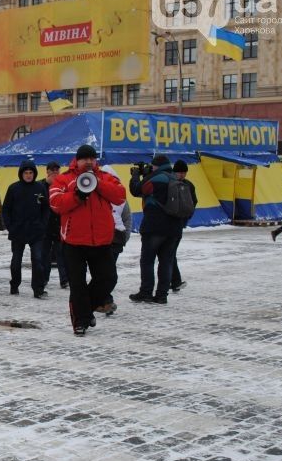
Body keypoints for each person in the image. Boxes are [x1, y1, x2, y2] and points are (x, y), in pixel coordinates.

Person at [49, 144, 126, 336]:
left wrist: (97, 184)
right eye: (85, 159)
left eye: (92, 158)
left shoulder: (106, 177)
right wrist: (77, 195)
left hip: (101, 241)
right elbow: (55, 203)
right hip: (74, 242)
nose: (89, 162)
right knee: (77, 284)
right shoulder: (64, 179)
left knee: (108, 279)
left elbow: (120, 196)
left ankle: (85, 310)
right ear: (78, 160)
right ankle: (80, 322)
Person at [129, 154, 184, 305]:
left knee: (147, 261)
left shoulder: (156, 179)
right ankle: (161, 295)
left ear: (156, 166)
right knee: (166, 262)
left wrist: (135, 176)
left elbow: (136, 190)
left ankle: (146, 292)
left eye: (152, 167)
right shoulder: (175, 179)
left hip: (154, 227)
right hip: (174, 229)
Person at [2, 160, 50, 298]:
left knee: (38, 260)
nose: (28, 175)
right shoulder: (13, 188)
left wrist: (43, 224)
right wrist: (10, 226)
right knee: (16, 261)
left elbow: (46, 208)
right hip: (18, 231)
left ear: (34, 174)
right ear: (21, 174)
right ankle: (14, 285)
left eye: (31, 173)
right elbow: (6, 209)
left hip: (36, 231)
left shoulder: (40, 188)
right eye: (26, 173)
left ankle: (38, 289)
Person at [97, 165, 132, 316]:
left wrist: (125, 237)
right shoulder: (97, 195)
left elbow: (127, 219)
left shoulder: (119, 198)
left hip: (114, 238)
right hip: (108, 238)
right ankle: (104, 300)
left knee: (106, 271)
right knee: (106, 271)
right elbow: (128, 220)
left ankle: (105, 300)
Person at [170, 160, 198, 291]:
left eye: (184, 173)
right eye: (179, 172)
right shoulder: (169, 183)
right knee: (169, 253)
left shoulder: (189, 186)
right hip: (170, 224)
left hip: (178, 224)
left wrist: (185, 219)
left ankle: (174, 281)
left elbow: (193, 203)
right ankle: (174, 281)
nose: (181, 175)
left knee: (170, 253)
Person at [40, 162, 68, 290]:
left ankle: (64, 280)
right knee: (44, 255)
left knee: (61, 255)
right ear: (48, 172)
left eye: (57, 171)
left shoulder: (62, 185)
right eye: (53, 171)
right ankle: (44, 278)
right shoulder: (40, 186)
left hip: (58, 226)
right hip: (45, 227)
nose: (55, 174)